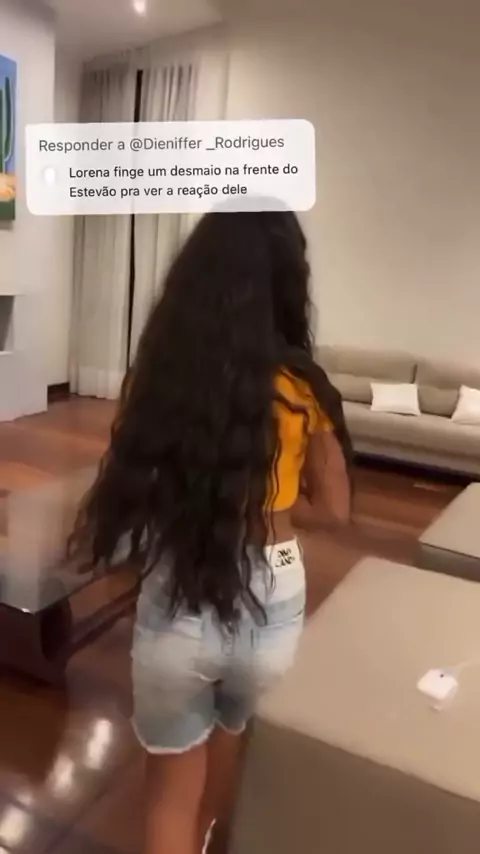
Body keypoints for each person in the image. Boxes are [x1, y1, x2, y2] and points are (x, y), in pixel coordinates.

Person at [69, 208, 352, 854]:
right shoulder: (303, 389)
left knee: (169, 800)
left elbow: (139, 486)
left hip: (179, 587)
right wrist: (276, 506)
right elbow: (336, 509)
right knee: (224, 768)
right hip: (271, 598)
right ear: (288, 282)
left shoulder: (157, 379)